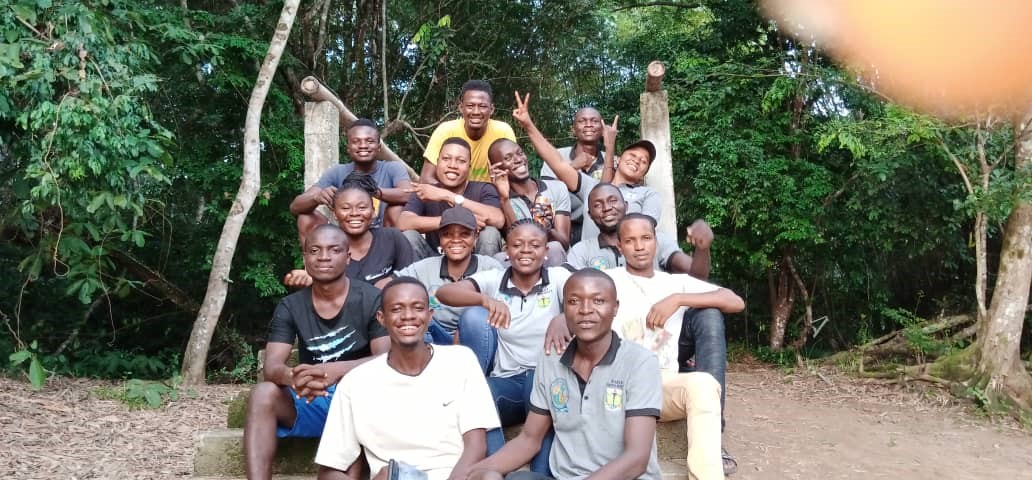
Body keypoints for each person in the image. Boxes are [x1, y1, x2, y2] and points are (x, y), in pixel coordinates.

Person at [551, 214, 744, 478]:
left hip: (661, 384)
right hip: (618, 384)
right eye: (630, 241)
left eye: (646, 238)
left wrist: (677, 299)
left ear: (656, 242)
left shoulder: (674, 282)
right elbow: (577, 302)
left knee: (703, 383)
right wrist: (559, 319)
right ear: (619, 246)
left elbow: (734, 301)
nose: (639, 246)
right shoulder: (608, 280)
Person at [467, 268, 663, 480]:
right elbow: (529, 439)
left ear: (615, 308)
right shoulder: (550, 359)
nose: (585, 310)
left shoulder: (640, 362)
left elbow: (636, 458)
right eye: (574, 301)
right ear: (563, 309)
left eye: (598, 301)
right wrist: (473, 472)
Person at [315, 277, 501, 480]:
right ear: (381, 318)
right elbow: (329, 471)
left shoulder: (461, 361)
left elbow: (476, 445)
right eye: (396, 309)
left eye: (418, 308)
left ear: (430, 315)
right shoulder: (355, 383)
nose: (408, 316)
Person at [244, 224, 389, 480]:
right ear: (305, 258)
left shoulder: (371, 298)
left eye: (334, 250)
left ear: (348, 257)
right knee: (263, 393)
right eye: (315, 250)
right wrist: (293, 377)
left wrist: (338, 370)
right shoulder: (290, 305)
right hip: (312, 398)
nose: (323, 256)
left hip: (360, 402)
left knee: (359, 395)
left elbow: (386, 359)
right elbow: (272, 367)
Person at [435, 220, 571, 475]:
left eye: (534, 245)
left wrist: (564, 316)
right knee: (474, 322)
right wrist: (484, 299)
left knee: (540, 376)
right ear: (507, 251)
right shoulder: (494, 279)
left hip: (547, 381)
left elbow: (586, 297)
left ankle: (539, 475)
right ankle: (497, 471)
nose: (526, 251)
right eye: (517, 245)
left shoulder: (558, 278)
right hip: (507, 383)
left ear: (545, 252)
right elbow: (445, 292)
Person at [511, 91, 663, 242]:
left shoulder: (648, 193)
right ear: (619, 159)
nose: (637, 160)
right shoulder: (591, 188)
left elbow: (647, 229)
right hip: (586, 252)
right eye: (633, 155)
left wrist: (609, 146)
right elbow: (558, 163)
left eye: (644, 161)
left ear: (644, 174)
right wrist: (528, 124)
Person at [392, 206, 505, 345]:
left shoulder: (489, 266)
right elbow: (390, 284)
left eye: (464, 234)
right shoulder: (424, 267)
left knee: (475, 316)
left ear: (475, 237)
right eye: (447, 234)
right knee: (420, 317)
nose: (455, 240)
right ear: (440, 238)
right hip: (438, 338)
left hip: (478, 339)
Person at [285, 174, 415, 289]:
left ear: (373, 212)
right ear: (335, 214)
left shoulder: (392, 238)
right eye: (346, 208)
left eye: (362, 207)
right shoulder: (327, 247)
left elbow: (412, 278)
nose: (354, 213)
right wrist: (310, 280)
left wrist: (391, 280)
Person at [566, 183, 712, 279]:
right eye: (598, 205)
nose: (606, 208)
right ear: (590, 215)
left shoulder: (656, 240)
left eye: (612, 201)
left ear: (626, 206)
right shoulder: (580, 252)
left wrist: (702, 248)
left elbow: (697, 276)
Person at [290, 119, 412, 230]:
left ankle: (397, 253)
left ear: (379, 147)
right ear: (348, 148)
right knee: (305, 218)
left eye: (369, 141)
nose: (363, 146)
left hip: (383, 236)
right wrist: (316, 197)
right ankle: (319, 254)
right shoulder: (337, 171)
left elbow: (408, 195)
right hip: (346, 237)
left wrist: (374, 191)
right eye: (356, 141)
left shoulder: (392, 168)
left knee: (397, 209)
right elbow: (295, 207)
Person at [398, 137, 505, 259]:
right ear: (437, 162)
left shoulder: (483, 189)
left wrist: (447, 196)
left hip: (474, 261)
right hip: (434, 260)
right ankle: (412, 278)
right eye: (446, 159)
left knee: (490, 233)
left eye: (461, 161)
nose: (452, 165)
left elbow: (498, 220)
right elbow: (403, 222)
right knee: (409, 236)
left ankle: (486, 278)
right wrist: (456, 220)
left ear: (469, 167)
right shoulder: (426, 191)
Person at [487, 137, 571, 267]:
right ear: (496, 168)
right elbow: (516, 240)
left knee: (554, 248)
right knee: (499, 258)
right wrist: (504, 199)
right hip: (519, 261)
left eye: (520, 153)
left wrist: (546, 228)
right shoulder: (495, 199)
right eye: (508, 158)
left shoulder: (557, 187)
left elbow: (564, 243)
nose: (518, 160)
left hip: (551, 256)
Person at [420, 80, 517, 183]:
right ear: (461, 108)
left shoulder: (503, 132)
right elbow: (426, 178)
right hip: (450, 193)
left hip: (492, 194)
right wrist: (454, 197)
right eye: (470, 106)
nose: (476, 112)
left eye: (483, 106)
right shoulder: (445, 131)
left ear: (491, 109)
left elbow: (514, 175)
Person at [540, 107, 607, 244]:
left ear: (602, 128)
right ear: (573, 129)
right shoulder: (555, 156)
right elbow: (546, 193)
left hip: (599, 229)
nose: (588, 124)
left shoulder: (611, 161)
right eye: (582, 121)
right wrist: (573, 166)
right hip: (562, 226)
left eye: (594, 121)